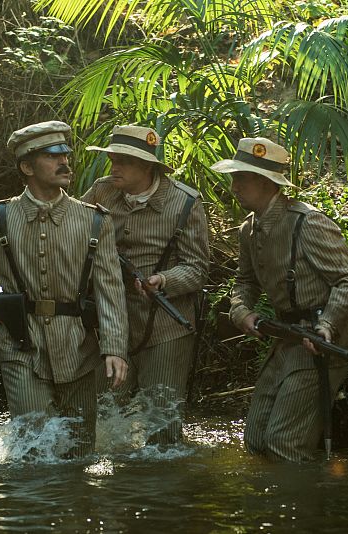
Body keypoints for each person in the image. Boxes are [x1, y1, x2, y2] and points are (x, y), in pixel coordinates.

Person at [0, 121, 128, 457]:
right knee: (35, 449)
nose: (64, 161)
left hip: (79, 347)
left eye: (66, 153)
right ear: (27, 167)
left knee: (80, 452)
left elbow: (110, 290)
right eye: (53, 156)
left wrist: (115, 348)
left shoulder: (95, 220)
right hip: (21, 345)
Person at [212, 137, 348, 462]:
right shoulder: (248, 229)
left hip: (321, 347)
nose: (234, 186)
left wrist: (327, 324)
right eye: (233, 177)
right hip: (285, 341)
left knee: (284, 444)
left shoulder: (307, 223)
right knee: (253, 440)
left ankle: (301, 509)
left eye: (242, 178)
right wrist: (241, 311)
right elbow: (245, 282)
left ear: (267, 183)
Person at [81, 124, 209, 444]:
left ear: (147, 166)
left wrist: (164, 280)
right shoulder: (102, 191)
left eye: (123, 160)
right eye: (112, 158)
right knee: (102, 415)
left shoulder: (184, 203)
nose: (114, 167)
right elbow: (71, 227)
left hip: (166, 328)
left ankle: (156, 488)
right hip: (112, 325)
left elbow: (197, 269)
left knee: (161, 424)